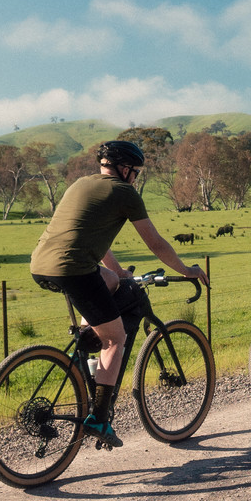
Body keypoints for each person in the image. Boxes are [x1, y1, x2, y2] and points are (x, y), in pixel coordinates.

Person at [30, 140, 207, 448]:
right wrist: (185, 270)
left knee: (111, 281)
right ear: (124, 169)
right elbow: (156, 244)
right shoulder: (125, 193)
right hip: (75, 268)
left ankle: (88, 336)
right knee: (116, 338)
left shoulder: (81, 184)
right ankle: (98, 418)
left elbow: (92, 236)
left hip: (41, 264)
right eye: (135, 172)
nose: (135, 177)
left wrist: (120, 271)